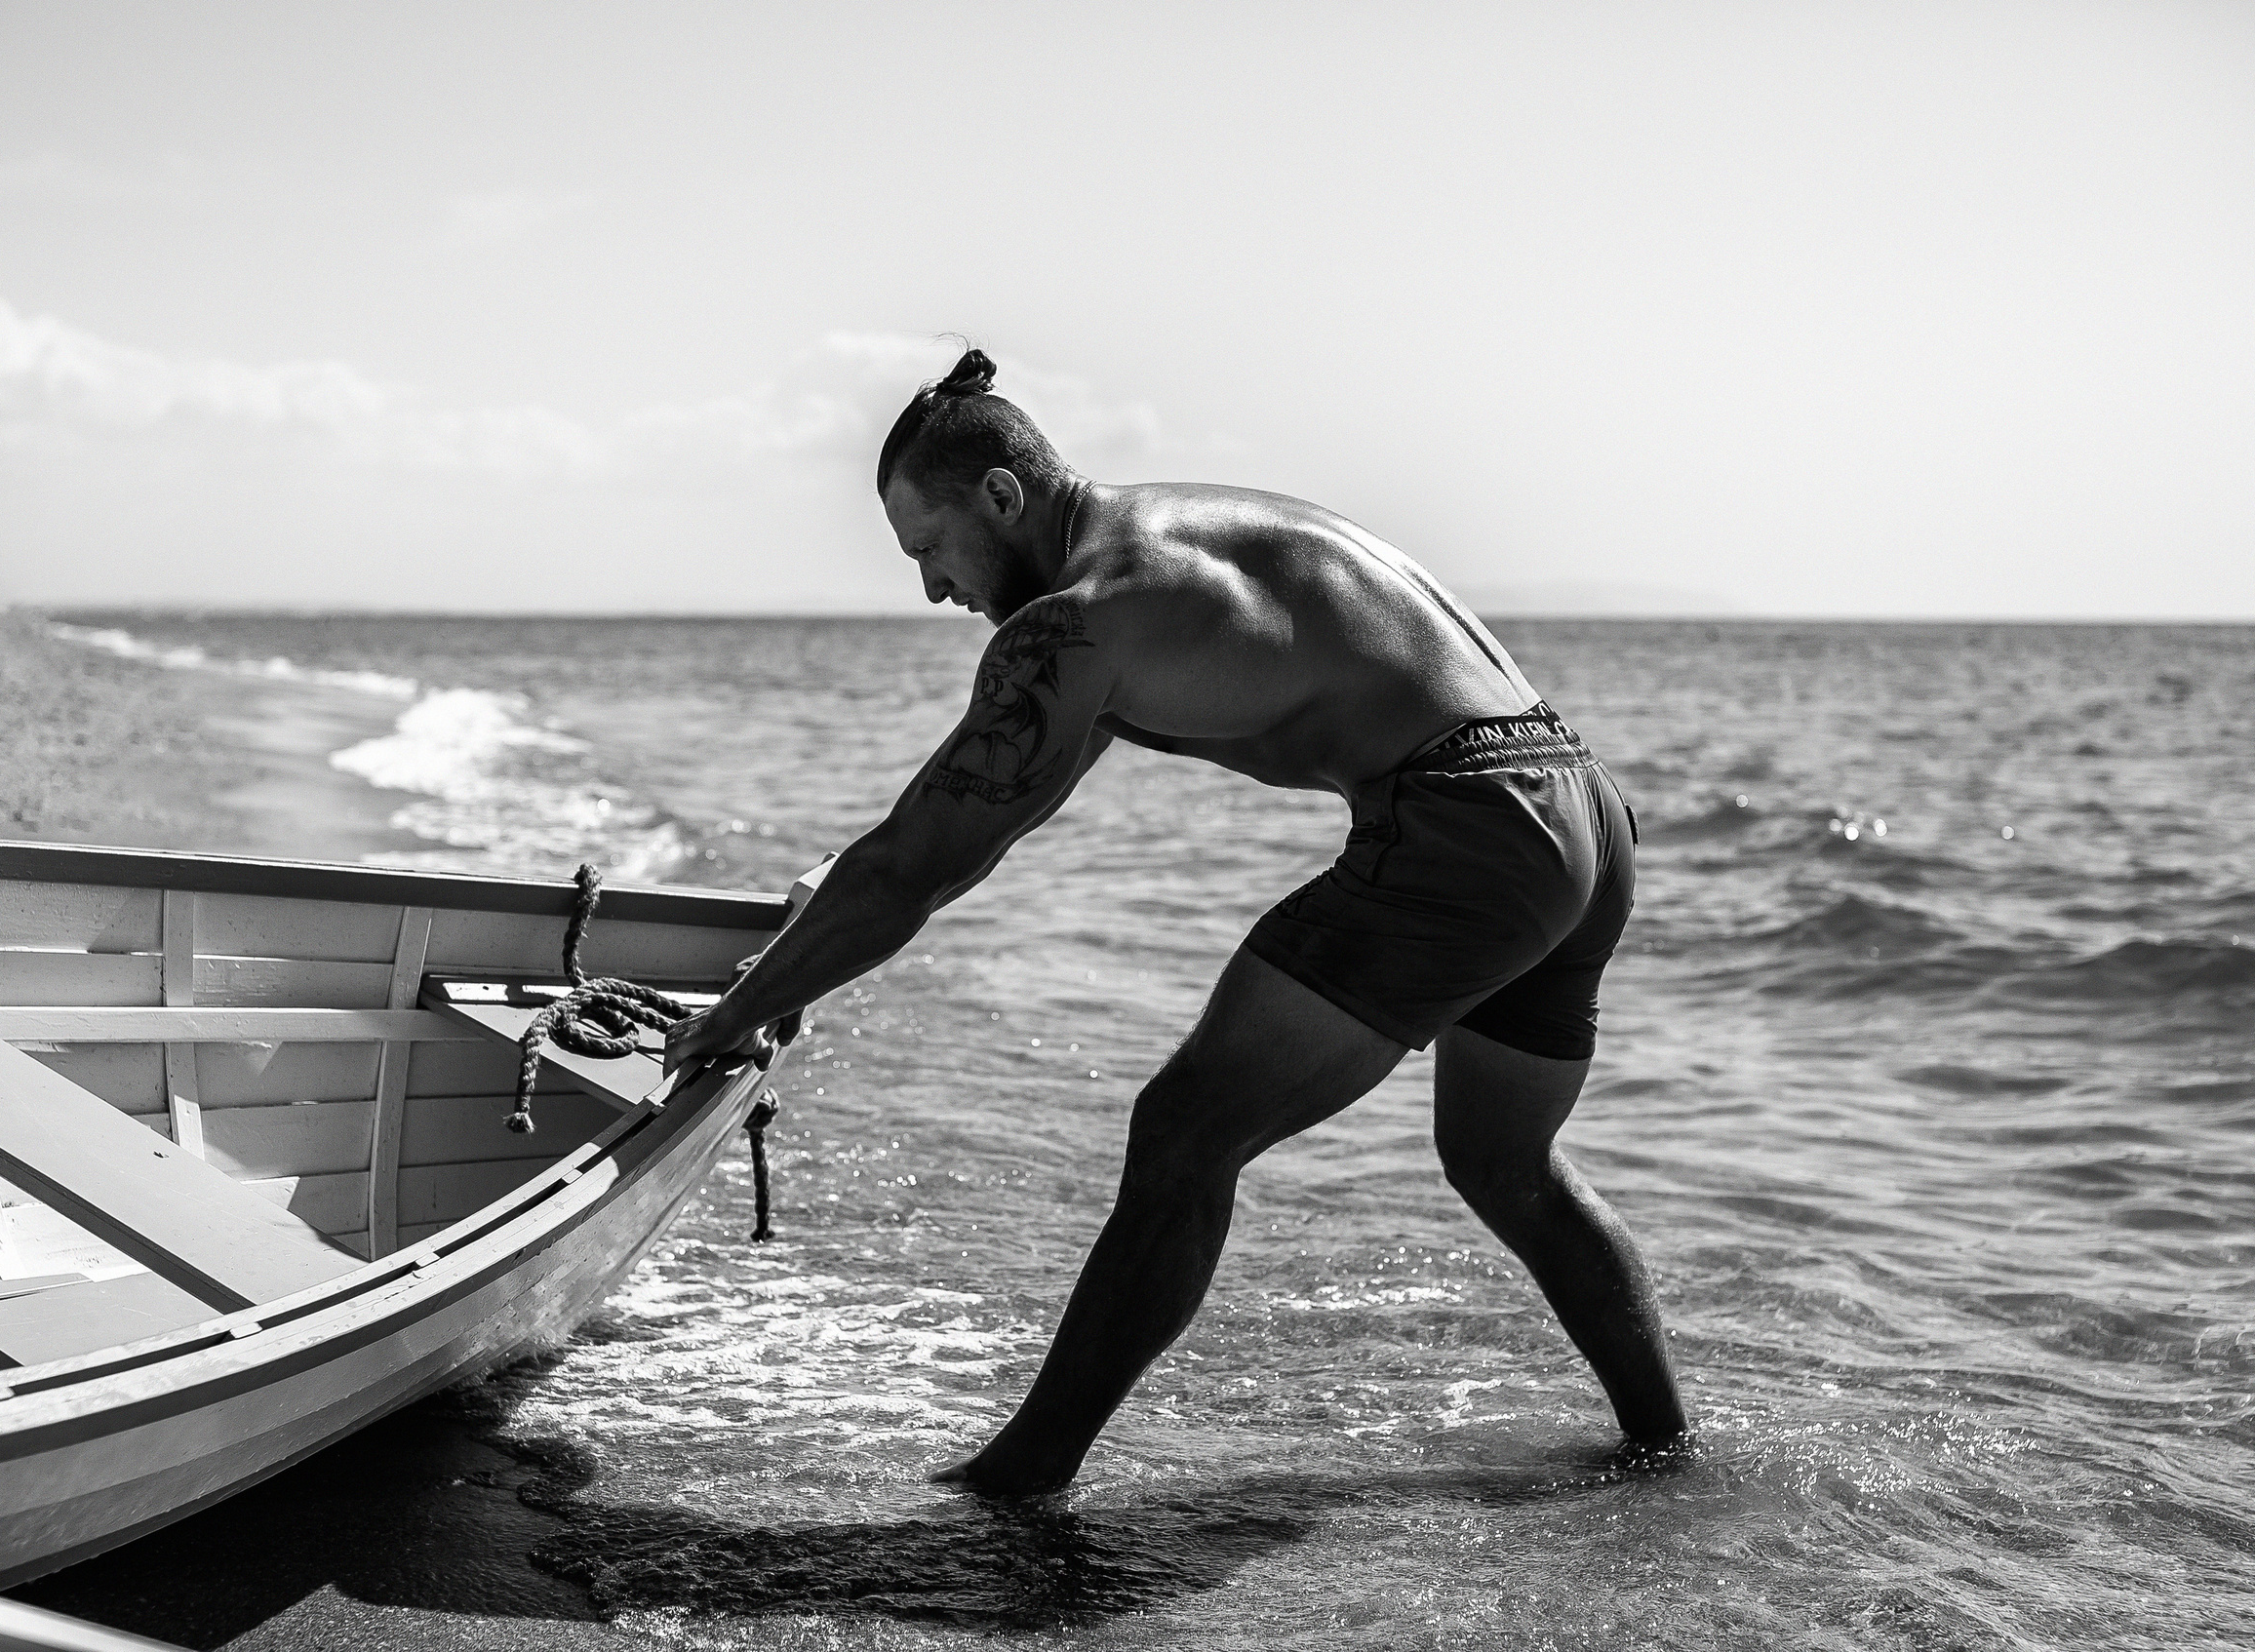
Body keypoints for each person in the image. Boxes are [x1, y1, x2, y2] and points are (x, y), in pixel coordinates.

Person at [663, 346, 1687, 1492]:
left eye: (931, 549)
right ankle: (1670, 1450)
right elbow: (982, 818)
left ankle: (1021, 1477)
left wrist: (742, 1006)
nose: (933, 591)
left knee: (1182, 1133)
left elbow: (915, 867)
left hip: (1468, 828)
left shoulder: (1081, 617)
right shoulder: (1156, 549)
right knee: (1503, 1161)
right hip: (1578, 810)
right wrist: (823, 909)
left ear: (1003, 496)